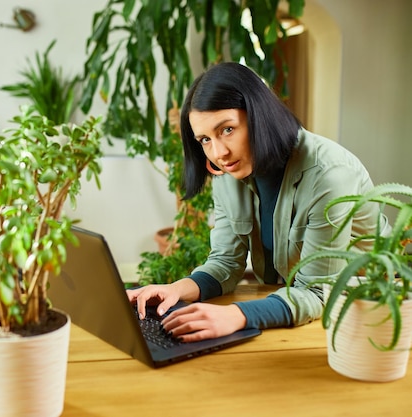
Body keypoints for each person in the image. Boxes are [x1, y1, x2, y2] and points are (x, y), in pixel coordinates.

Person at [127, 62, 388, 342]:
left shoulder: (329, 174)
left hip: (369, 317)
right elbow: (226, 263)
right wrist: (177, 289)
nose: (219, 153)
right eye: (205, 139)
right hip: (296, 313)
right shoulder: (229, 172)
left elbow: (317, 291)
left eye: (227, 129)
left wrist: (237, 315)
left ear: (259, 115)